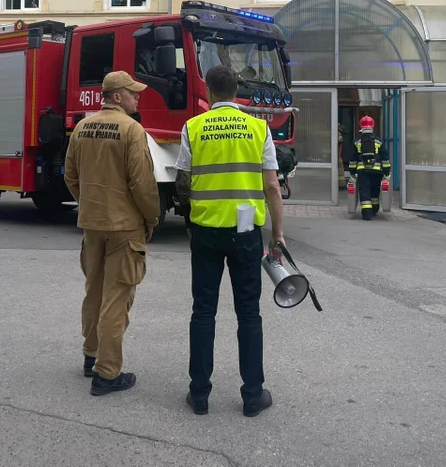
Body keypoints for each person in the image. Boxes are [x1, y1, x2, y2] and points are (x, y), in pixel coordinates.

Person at [175, 65, 286, 418]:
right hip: (245, 234)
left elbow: (182, 182)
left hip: (206, 231)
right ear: (236, 90)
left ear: (208, 91)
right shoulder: (258, 128)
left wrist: (192, 219)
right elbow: (271, 187)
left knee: (203, 312)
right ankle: (252, 396)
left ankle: (200, 394)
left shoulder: (193, 127)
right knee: (248, 314)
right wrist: (277, 235)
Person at [64, 71, 159, 397]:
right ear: (117, 96)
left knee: (94, 292)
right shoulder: (132, 129)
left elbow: (70, 176)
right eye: (133, 93)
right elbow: (142, 184)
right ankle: (107, 373)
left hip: (92, 224)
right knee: (117, 299)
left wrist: (89, 204)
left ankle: (91, 356)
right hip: (124, 227)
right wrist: (151, 218)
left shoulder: (81, 127)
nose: (137, 97)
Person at [342, 115, 391, 221]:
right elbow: (385, 156)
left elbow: (353, 158)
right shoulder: (379, 141)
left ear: (361, 126)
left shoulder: (357, 142)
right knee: (374, 189)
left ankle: (366, 213)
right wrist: (386, 171)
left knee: (364, 190)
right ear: (372, 126)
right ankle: (374, 209)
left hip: (362, 171)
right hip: (377, 171)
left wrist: (352, 171)